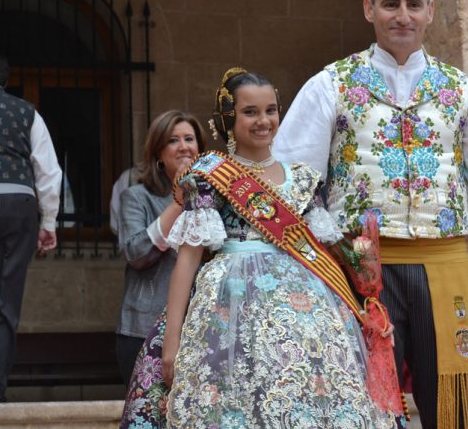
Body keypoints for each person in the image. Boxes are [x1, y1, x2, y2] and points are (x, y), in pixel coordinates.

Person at [272, 0, 468, 429]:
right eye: (391, 4)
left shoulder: (463, 91)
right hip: (362, 271)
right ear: (370, 10)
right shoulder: (331, 84)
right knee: (368, 403)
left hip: (447, 266)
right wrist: (308, 273)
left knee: (455, 407)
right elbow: (291, 183)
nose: (402, 15)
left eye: (413, 5)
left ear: (431, 12)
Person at [120, 68, 399, 428]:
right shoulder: (209, 175)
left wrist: (366, 311)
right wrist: (171, 344)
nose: (263, 120)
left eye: (271, 110)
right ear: (228, 118)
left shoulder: (302, 178)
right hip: (229, 313)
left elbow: (325, 256)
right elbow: (186, 262)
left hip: (310, 320)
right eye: (250, 112)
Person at [0, 50, 62, 402]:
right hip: (18, 202)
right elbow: (48, 170)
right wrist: (48, 222)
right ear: (5, 81)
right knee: (5, 299)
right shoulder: (27, 112)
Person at [114, 110, 205, 386]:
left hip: (200, 328)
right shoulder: (136, 197)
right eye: (173, 140)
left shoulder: (213, 197)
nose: (183, 147)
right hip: (144, 328)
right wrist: (177, 204)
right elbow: (136, 253)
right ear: (158, 153)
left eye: (189, 138)